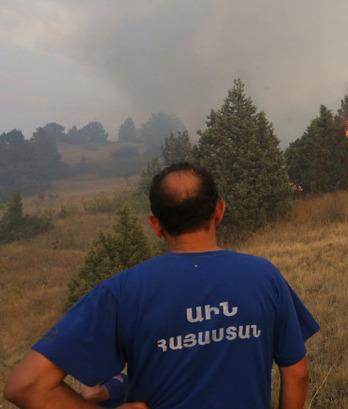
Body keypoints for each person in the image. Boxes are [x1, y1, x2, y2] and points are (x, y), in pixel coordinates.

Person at [4, 162, 320, 409]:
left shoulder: (122, 291)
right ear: (220, 211)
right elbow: (297, 373)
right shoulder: (264, 276)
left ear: (155, 225)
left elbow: (26, 386)